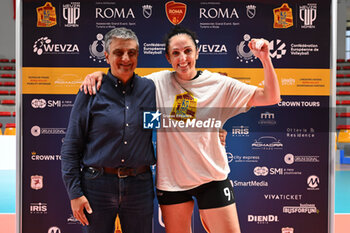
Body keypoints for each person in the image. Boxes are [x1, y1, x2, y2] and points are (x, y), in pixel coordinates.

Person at [82, 26, 280, 233]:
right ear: (168, 58)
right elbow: (122, 77)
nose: (182, 58)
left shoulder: (220, 84)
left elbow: (271, 97)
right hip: (172, 183)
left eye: (187, 51)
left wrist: (265, 58)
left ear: (197, 52)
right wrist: (99, 75)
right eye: (176, 53)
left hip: (212, 178)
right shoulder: (157, 82)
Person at [61, 27, 157, 233]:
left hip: (139, 186)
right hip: (97, 185)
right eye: (118, 52)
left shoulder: (150, 88)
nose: (125, 58)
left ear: (138, 55)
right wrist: (74, 193)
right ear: (106, 56)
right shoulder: (90, 90)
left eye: (131, 52)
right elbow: (71, 145)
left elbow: (182, 110)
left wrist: (214, 128)